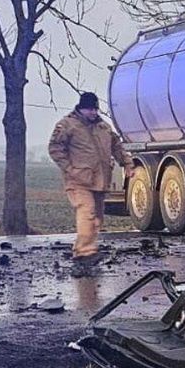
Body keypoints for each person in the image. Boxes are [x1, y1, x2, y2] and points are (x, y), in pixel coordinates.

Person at [48, 92, 134, 276]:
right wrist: (70, 169)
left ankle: (83, 250)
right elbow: (55, 148)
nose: (93, 112)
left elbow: (117, 147)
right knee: (87, 212)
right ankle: (85, 252)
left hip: (100, 179)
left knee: (97, 219)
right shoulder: (67, 125)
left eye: (95, 109)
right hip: (78, 181)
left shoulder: (104, 127)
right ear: (81, 108)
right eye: (89, 109)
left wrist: (127, 164)